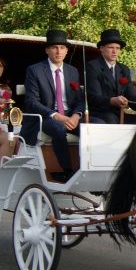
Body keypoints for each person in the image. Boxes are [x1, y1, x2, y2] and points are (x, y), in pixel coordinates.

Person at [19, 29, 85, 182]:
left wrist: (76, 115)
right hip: (45, 116)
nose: (58, 51)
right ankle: (67, 171)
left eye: (62, 48)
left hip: (70, 115)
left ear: (67, 51)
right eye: (54, 47)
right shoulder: (35, 70)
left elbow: (80, 100)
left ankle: (86, 168)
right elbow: (32, 102)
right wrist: (56, 116)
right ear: (47, 50)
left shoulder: (72, 71)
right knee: (58, 128)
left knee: (95, 125)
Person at [85, 28, 136, 123]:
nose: (114, 51)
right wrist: (112, 101)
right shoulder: (93, 66)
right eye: (111, 47)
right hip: (100, 113)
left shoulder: (124, 69)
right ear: (101, 48)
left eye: (117, 48)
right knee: (112, 120)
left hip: (119, 113)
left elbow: (132, 97)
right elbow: (94, 98)